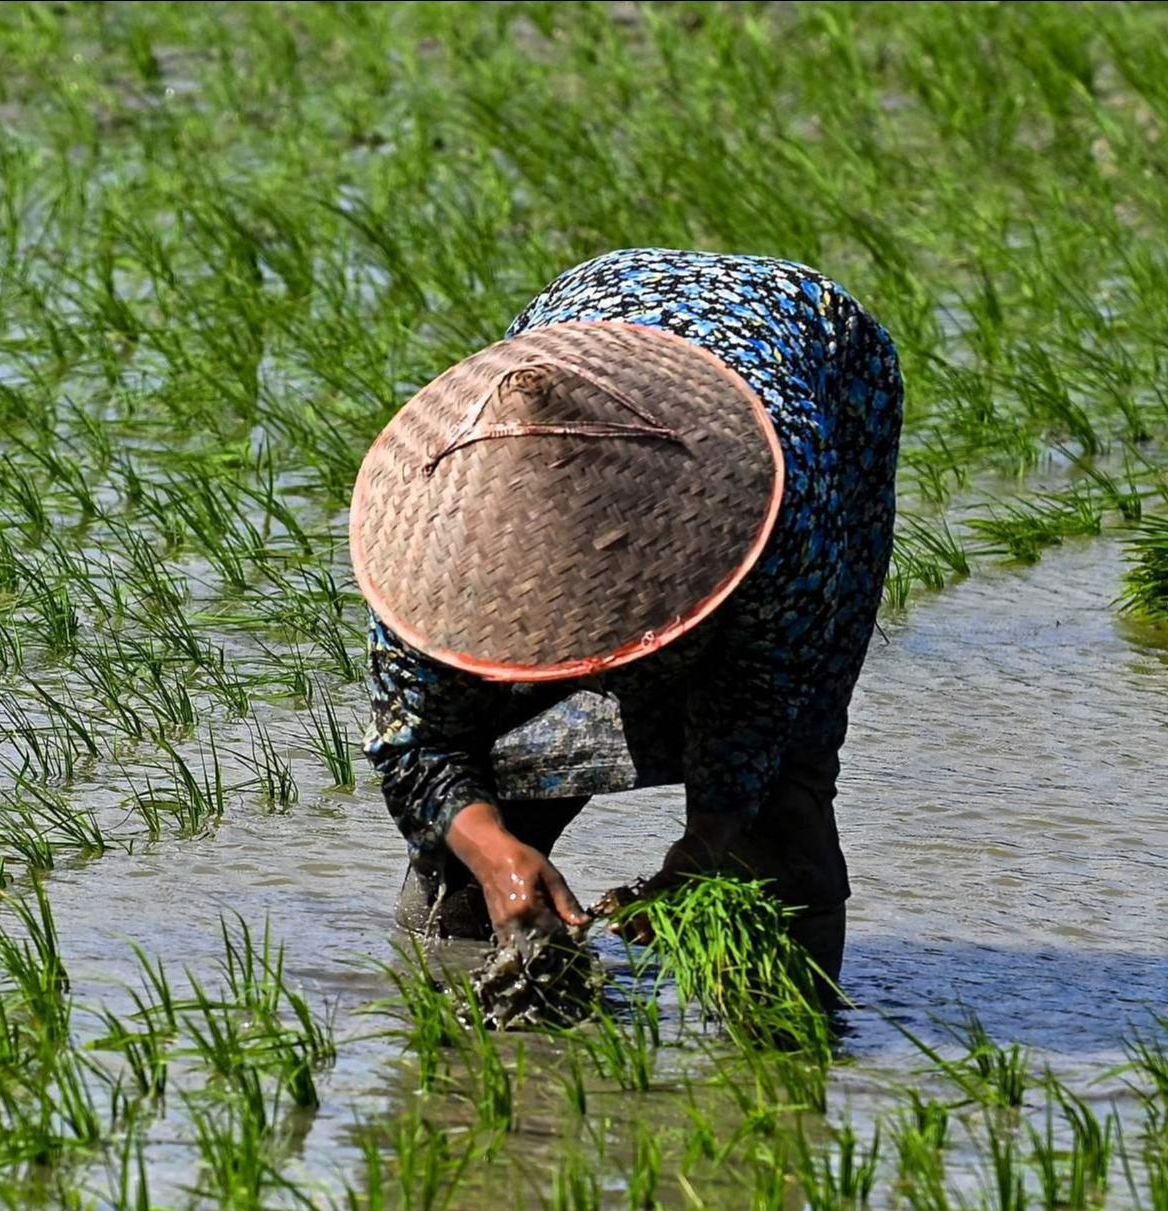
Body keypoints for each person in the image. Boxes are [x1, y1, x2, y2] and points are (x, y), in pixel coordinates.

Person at [354, 249, 901, 991]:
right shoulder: (429, 544)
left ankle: (794, 1053)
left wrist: (704, 845)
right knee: (472, 831)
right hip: (590, 317)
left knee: (783, 792)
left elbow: (763, 693)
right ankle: (454, 1032)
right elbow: (417, 740)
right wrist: (489, 850)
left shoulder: (780, 516)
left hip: (810, 359)